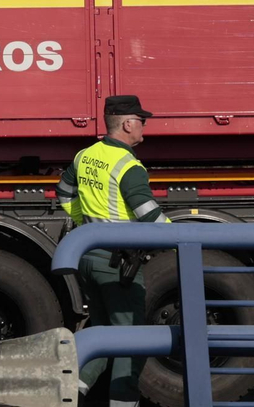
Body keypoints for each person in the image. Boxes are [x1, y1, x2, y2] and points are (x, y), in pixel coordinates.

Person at [57, 94, 167, 407]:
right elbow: (148, 213)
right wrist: (179, 235)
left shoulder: (86, 155)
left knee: (102, 337)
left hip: (89, 257)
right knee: (132, 344)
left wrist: (86, 223)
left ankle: (69, 395)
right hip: (117, 264)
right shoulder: (130, 166)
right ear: (128, 124)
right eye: (141, 120)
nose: (144, 125)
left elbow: (63, 191)